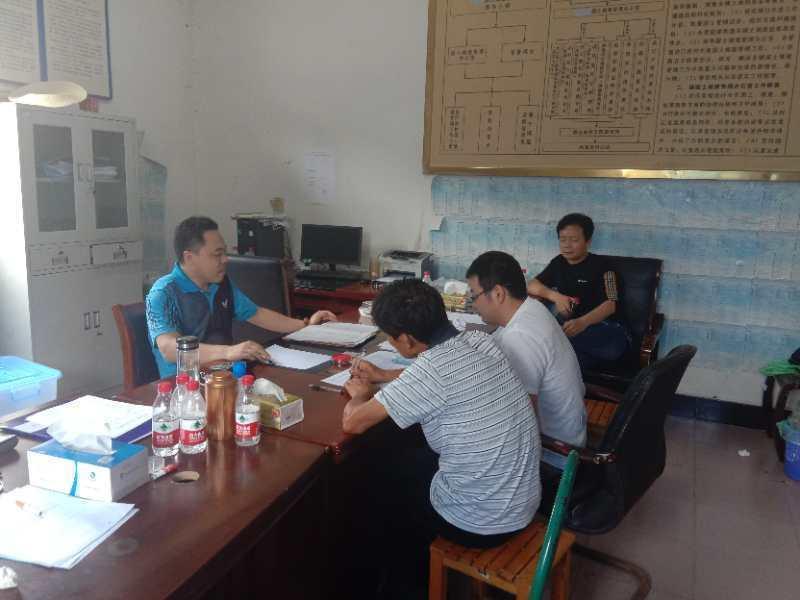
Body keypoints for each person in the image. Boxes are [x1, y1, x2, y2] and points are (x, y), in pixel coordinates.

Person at [341, 279, 540, 597]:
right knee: (410, 457)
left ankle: (403, 587)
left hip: (480, 523)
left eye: (391, 338)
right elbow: (435, 375)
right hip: (522, 502)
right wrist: (384, 376)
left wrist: (360, 394)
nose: (391, 343)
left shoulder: (431, 370)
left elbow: (353, 423)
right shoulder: (480, 340)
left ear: (407, 339)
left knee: (378, 487)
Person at [146, 216, 336, 377]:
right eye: (217, 254)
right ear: (189, 258)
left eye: (224, 252)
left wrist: (306, 326)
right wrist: (229, 352)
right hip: (184, 389)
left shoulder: (221, 284)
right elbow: (169, 348)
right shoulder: (163, 293)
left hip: (225, 378)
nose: (225, 259)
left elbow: (257, 314)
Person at [466, 251, 586, 466]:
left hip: (552, 455)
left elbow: (519, 421)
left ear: (498, 294)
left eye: (474, 296)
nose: (473, 304)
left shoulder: (519, 337)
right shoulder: (530, 308)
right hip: (568, 435)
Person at [528, 213, 630, 370]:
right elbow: (532, 285)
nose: (567, 245)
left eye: (574, 240)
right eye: (563, 240)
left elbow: (611, 305)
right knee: (560, 348)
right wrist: (555, 296)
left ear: (588, 241)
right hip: (571, 329)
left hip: (607, 328)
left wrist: (583, 322)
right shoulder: (558, 263)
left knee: (555, 341)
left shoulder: (605, 266)